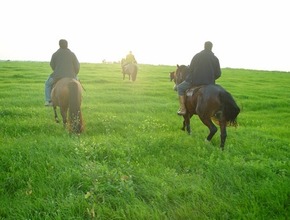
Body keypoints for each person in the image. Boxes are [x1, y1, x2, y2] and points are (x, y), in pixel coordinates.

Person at [177, 41, 221, 115]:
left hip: (194, 81)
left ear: (204, 46)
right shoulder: (215, 59)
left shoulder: (197, 56)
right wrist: (210, 79)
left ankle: (183, 109)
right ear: (211, 47)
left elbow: (190, 69)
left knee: (180, 88)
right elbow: (218, 74)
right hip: (209, 83)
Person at [44, 39, 80, 106]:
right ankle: (79, 98)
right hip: (71, 75)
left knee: (47, 84)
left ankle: (48, 101)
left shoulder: (55, 54)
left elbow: (52, 65)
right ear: (67, 44)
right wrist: (75, 74)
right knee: (78, 84)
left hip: (57, 75)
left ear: (59, 45)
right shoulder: (72, 54)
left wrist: (57, 70)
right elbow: (77, 66)